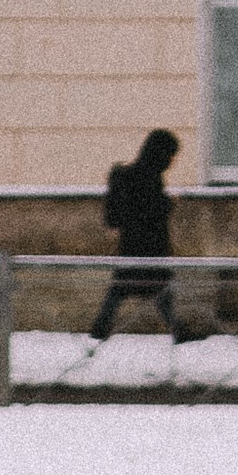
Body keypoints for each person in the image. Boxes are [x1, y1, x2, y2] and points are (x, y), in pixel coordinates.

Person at [90, 127, 183, 343]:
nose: (171, 161)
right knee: (156, 287)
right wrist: (168, 203)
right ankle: (178, 331)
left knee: (127, 287)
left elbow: (118, 214)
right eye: (170, 155)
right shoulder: (149, 177)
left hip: (131, 244)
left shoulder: (127, 175)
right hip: (148, 245)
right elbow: (149, 209)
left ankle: (100, 328)